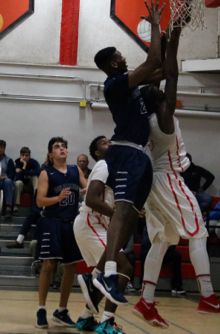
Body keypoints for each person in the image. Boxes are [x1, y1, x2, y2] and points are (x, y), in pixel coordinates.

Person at [134, 24, 220, 328]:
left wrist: (161, 41)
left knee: (163, 241)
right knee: (199, 233)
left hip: (151, 183)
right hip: (168, 179)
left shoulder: (142, 121)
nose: (159, 87)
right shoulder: (163, 119)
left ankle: (147, 299)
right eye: (155, 90)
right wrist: (175, 41)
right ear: (157, 100)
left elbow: (158, 74)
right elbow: (172, 76)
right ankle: (208, 296)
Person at [90, 0, 165, 305]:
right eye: (120, 56)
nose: (124, 59)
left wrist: (171, 36)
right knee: (122, 212)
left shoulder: (131, 86)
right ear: (112, 64)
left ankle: (97, 274)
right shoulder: (114, 85)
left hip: (139, 154)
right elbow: (151, 63)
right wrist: (156, 26)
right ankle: (108, 272)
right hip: (125, 151)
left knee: (132, 217)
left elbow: (161, 69)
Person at [74, 135, 132, 334]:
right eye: (104, 143)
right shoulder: (104, 164)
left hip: (100, 224)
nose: (110, 143)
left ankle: (85, 318)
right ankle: (107, 322)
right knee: (123, 267)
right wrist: (118, 214)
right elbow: (91, 199)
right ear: (97, 153)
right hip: (92, 221)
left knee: (105, 275)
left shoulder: (114, 168)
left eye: (110, 141)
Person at [34, 137, 86, 329]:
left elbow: (87, 185)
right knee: (49, 266)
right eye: (57, 147)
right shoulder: (46, 173)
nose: (62, 149)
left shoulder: (75, 170)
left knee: (70, 268)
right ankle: (41, 309)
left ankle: (62, 311)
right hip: (52, 223)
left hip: (72, 224)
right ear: (51, 154)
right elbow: (39, 201)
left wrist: (89, 189)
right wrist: (57, 197)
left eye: (64, 146)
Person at [13, 147, 40, 215]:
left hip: (31, 186)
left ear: (29, 156)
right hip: (22, 186)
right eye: (23, 155)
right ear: (20, 156)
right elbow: (18, 177)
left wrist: (24, 171)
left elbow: (39, 172)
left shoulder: (34, 162)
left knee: (35, 177)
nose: (24, 157)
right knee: (18, 183)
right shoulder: (18, 163)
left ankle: (36, 203)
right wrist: (24, 166)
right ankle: (16, 207)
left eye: (26, 155)